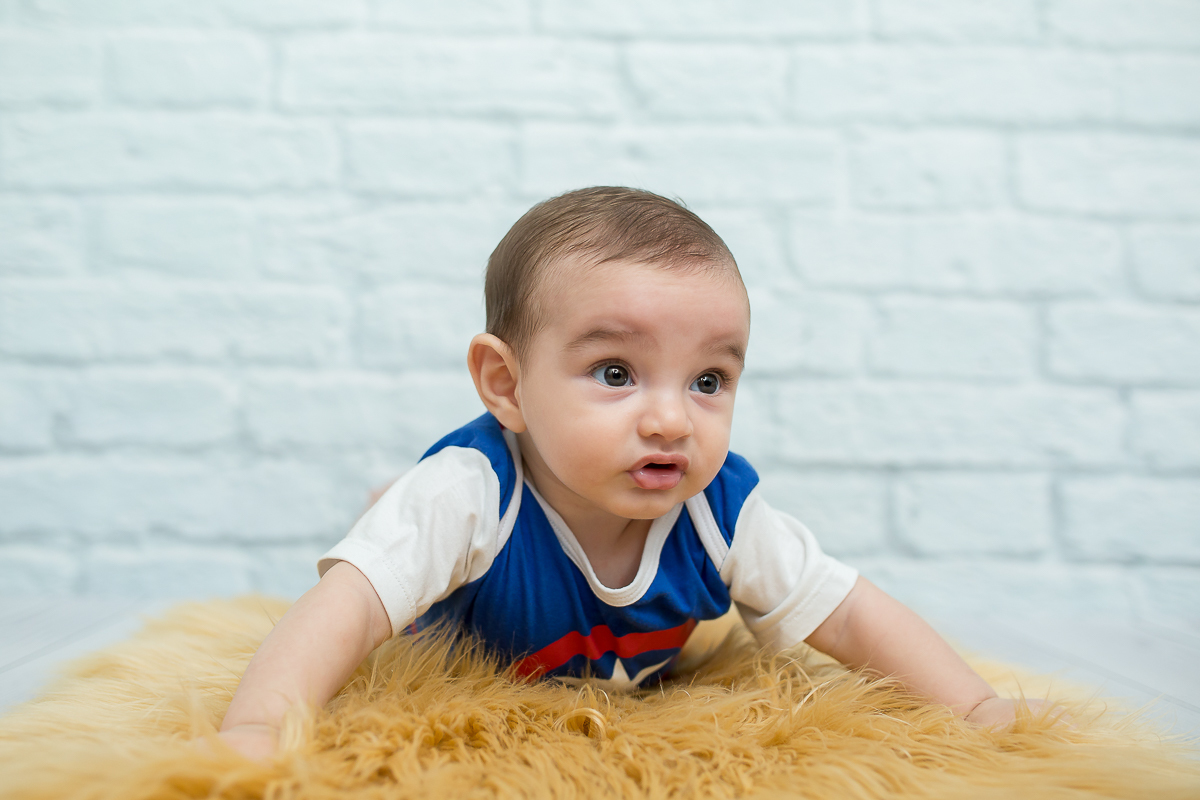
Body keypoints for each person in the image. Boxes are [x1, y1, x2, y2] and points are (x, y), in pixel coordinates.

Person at [218, 187, 1049, 760]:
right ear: (506, 385)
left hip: (611, 672)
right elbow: (342, 612)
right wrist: (256, 729)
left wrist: (976, 707)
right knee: (398, 556)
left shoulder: (720, 510)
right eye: (616, 373)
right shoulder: (473, 493)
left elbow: (852, 616)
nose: (670, 419)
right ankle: (388, 520)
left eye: (709, 381)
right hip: (466, 644)